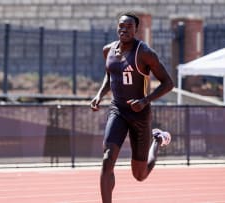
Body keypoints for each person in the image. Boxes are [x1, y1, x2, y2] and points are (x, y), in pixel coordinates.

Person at [90, 11, 174, 203]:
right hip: (118, 110)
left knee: (140, 175)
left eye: (129, 26)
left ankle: (158, 140)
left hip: (140, 115)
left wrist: (145, 101)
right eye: (121, 26)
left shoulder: (144, 53)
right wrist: (99, 95)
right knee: (107, 159)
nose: (124, 29)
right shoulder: (108, 50)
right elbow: (110, 75)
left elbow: (168, 83)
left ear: (136, 30)